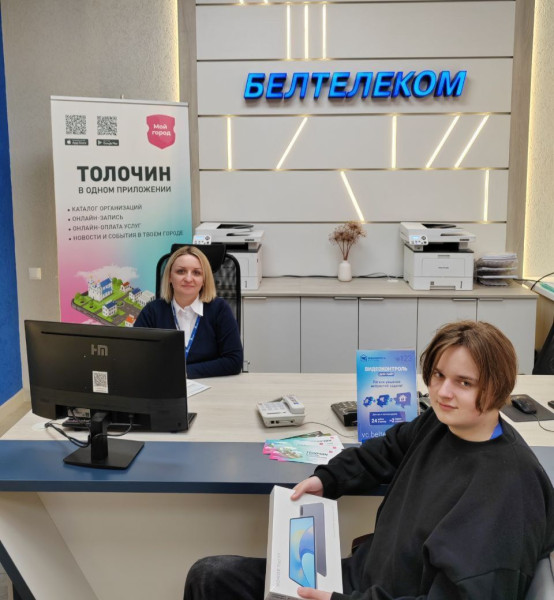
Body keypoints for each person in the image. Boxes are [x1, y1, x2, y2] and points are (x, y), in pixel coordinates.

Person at [183, 320, 554, 600]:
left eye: (464, 383)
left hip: (379, 594)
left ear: (497, 387)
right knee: (208, 576)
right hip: (362, 577)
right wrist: (328, 479)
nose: (442, 392)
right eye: (439, 375)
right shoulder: (443, 423)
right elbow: (387, 449)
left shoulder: (508, 489)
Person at [134, 245, 243, 379]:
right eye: (181, 271)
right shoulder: (152, 311)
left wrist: (184, 372)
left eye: (196, 273)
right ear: (169, 277)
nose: (188, 278)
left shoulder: (220, 309)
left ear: (204, 280)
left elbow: (234, 361)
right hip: (164, 385)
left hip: (211, 386)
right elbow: (135, 357)